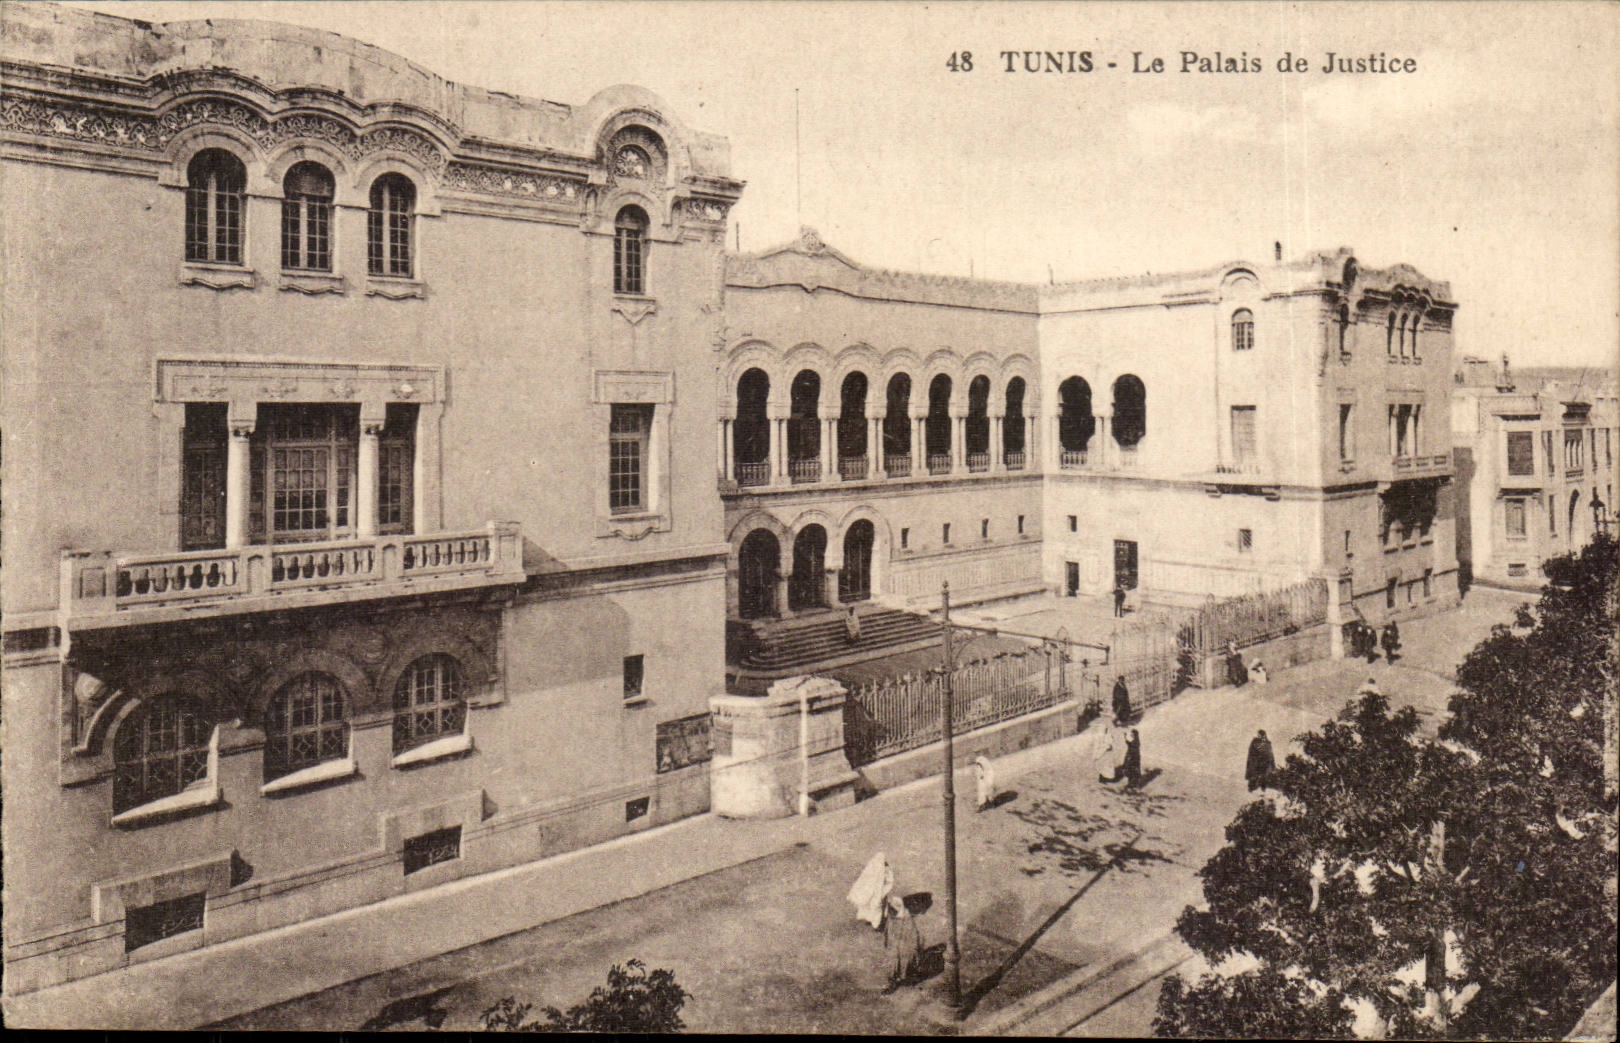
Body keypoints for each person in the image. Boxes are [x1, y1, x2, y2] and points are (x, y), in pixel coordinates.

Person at [879, 891, 922, 993]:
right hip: (894, 946)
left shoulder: (906, 919)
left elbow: (914, 938)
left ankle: (907, 976)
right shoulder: (891, 919)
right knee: (893, 959)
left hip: (904, 945)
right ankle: (893, 980)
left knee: (905, 958)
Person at [847, 852, 895, 929]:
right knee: (873, 906)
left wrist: (883, 890)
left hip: (880, 892)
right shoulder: (874, 868)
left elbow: (889, 881)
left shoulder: (882, 868)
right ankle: (872, 921)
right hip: (875, 891)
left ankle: (878, 924)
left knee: (877, 907)